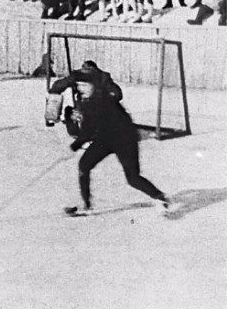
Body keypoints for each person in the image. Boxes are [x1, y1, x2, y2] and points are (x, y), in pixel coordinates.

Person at [48, 67, 171, 214]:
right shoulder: (86, 100)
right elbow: (88, 127)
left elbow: (88, 131)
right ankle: (86, 204)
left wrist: (72, 148)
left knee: (132, 178)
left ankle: (160, 197)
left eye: (85, 85)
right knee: (84, 165)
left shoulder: (103, 100)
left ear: (94, 85)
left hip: (124, 138)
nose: (81, 89)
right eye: (79, 85)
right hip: (105, 138)